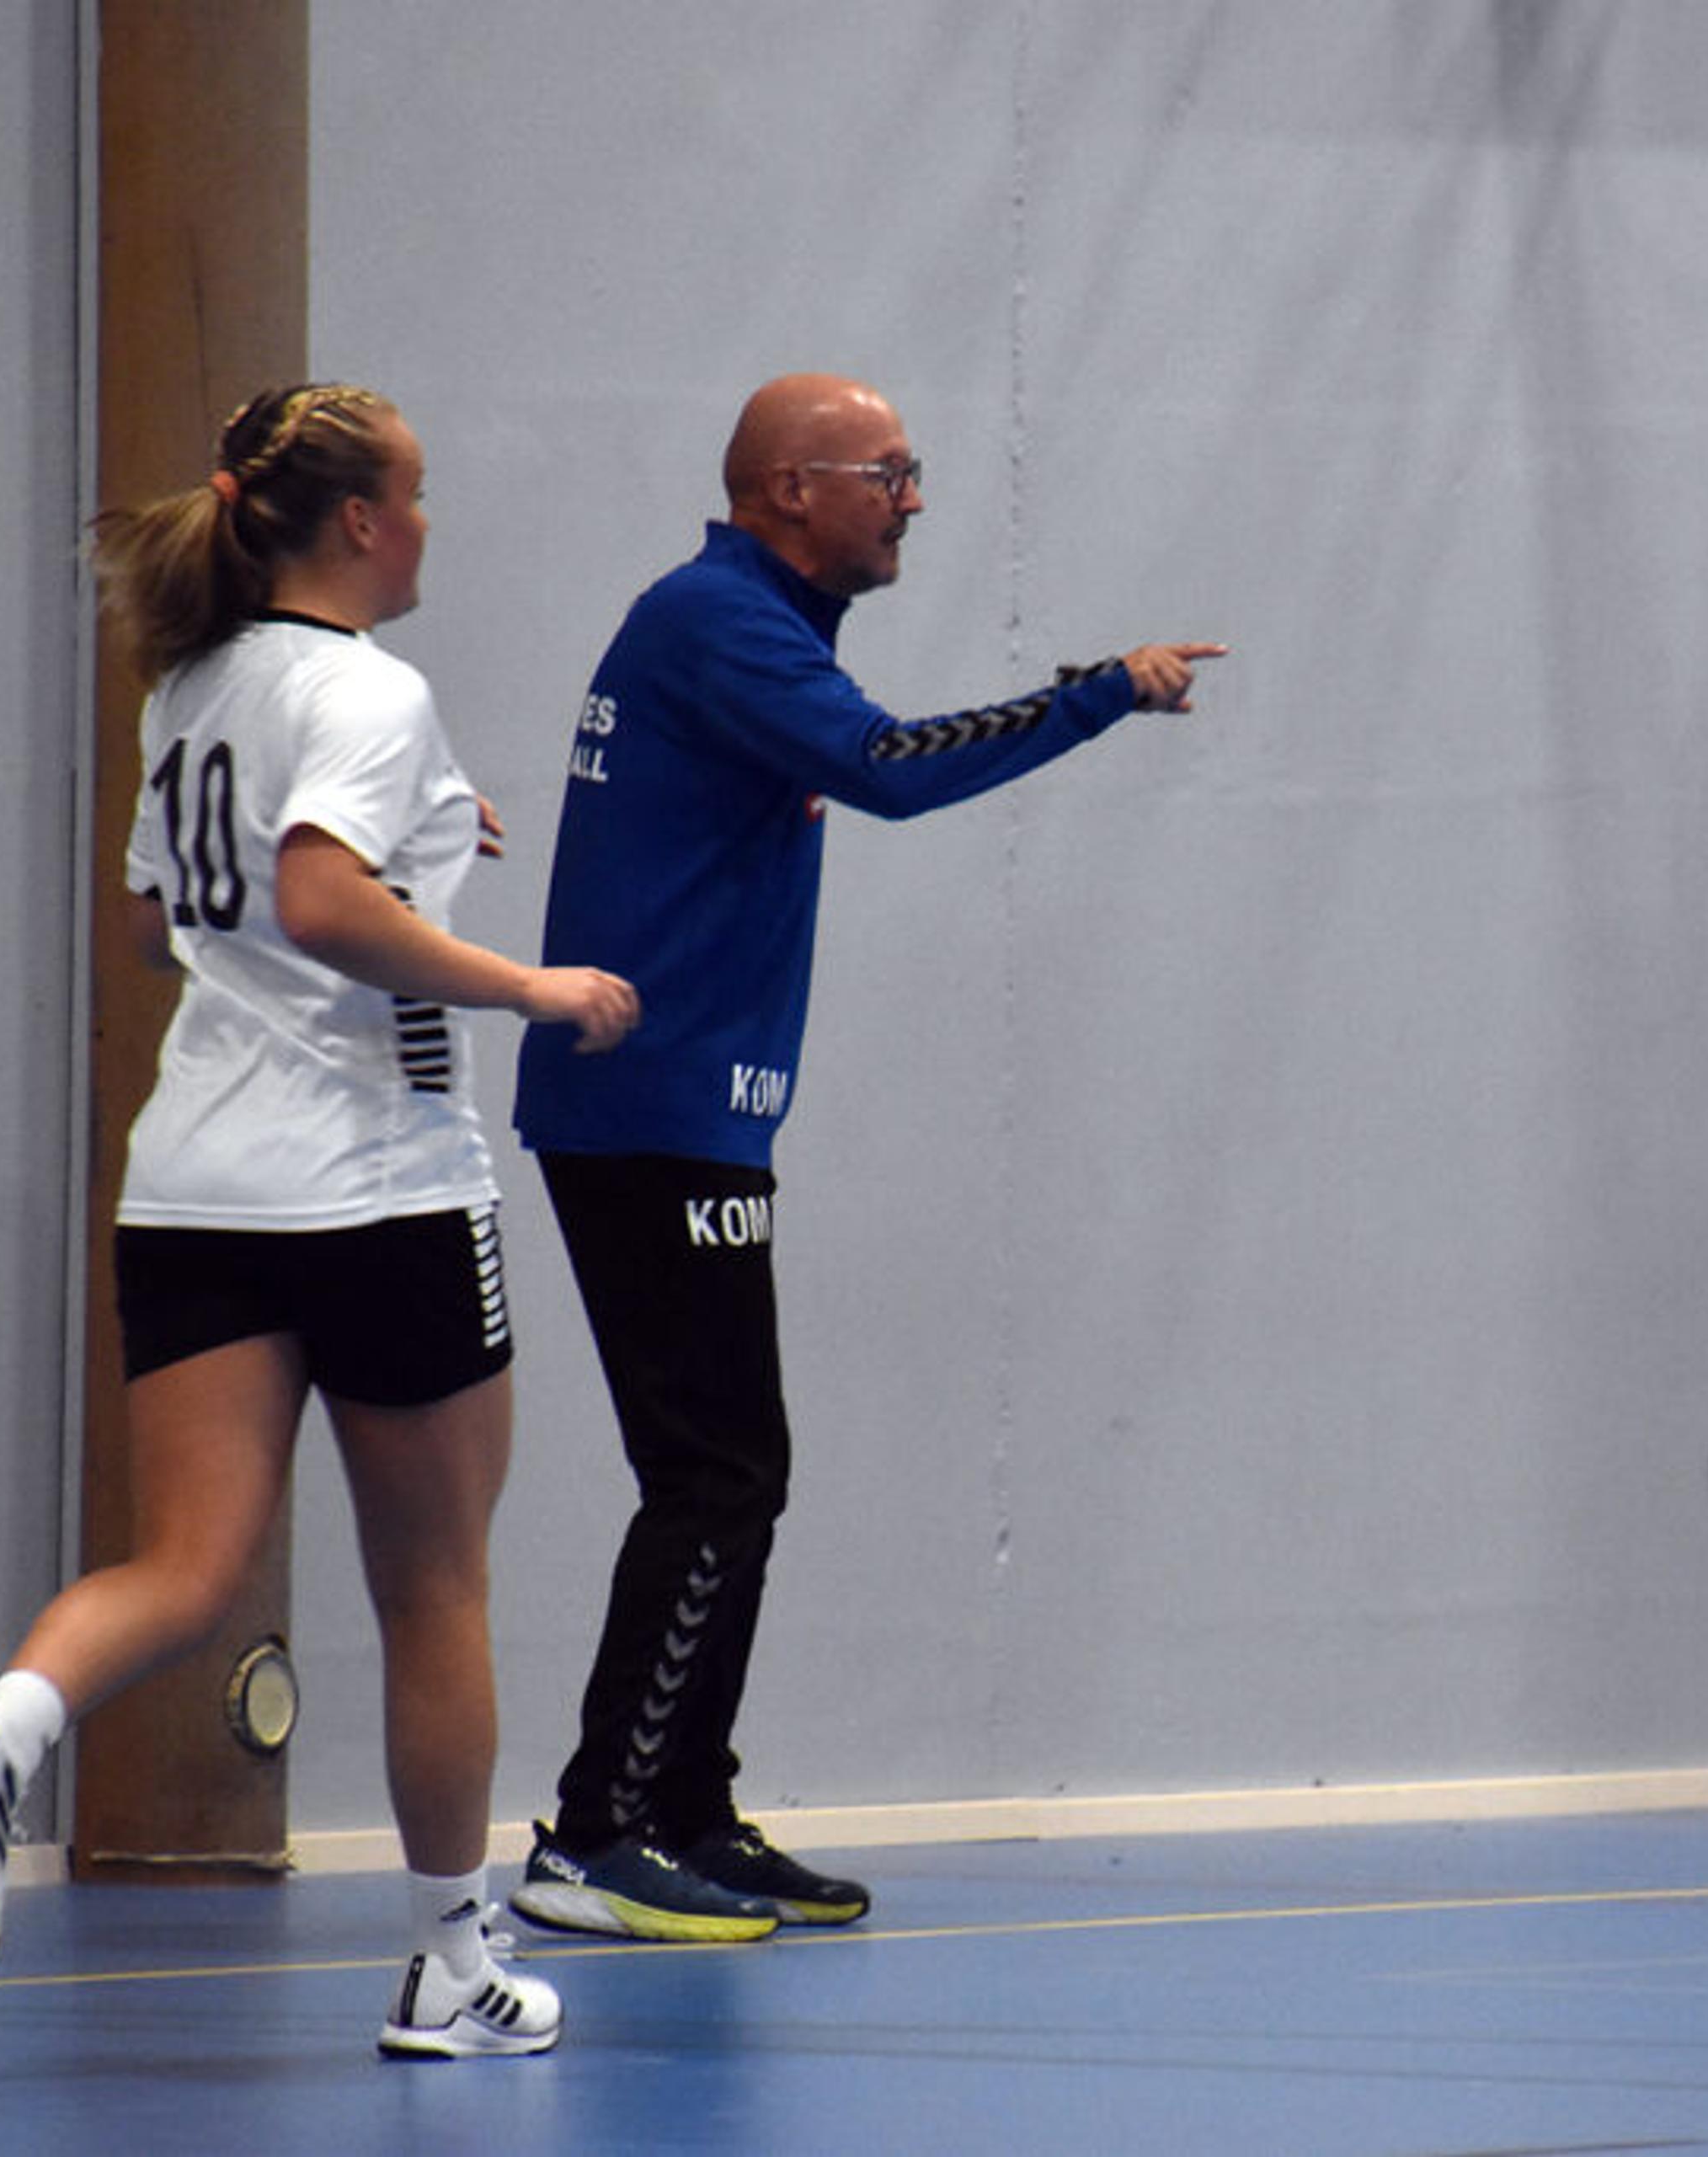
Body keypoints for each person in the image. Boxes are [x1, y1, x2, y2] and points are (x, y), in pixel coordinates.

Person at [0, 383, 639, 2061]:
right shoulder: (371, 689)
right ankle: (451, 1969)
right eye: (416, 499)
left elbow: (167, 924)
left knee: (184, 1567)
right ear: (359, 524)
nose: (428, 527)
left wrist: (415, 842)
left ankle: (5, 1733)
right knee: (435, 1588)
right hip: (380, 1185)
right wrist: (523, 984)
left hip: (197, 1186)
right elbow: (314, 895)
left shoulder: (193, 687)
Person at [508, 371, 1222, 1943]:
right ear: (790, 489)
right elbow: (892, 765)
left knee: (736, 1475)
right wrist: (1096, 694)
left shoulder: (751, 627)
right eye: (888, 472)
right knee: (714, 1474)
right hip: (648, 1111)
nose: (915, 499)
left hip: (686, 1110)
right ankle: (599, 1830)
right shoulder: (720, 621)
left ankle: (684, 1806)